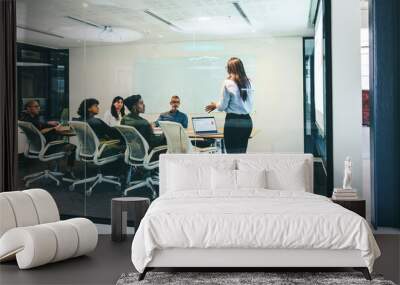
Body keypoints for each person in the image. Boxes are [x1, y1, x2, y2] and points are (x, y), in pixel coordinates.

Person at [205, 57, 253, 153]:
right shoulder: (249, 82)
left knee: (232, 154)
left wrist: (215, 105)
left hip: (233, 121)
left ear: (229, 69)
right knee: (242, 152)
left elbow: (222, 106)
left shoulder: (228, 83)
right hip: (247, 121)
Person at [20, 100, 76, 178]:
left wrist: (48, 123)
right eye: (36, 106)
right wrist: (54, 129)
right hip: (46, 148)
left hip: (35, 147)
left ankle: (56, 167)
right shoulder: (30, 120)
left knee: (57, 139)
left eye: (39, 106)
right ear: (28, 108)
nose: (38, 108)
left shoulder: (26, 118)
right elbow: (40, 131)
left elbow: (37, 126)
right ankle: (69, 171)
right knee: (72, 147)